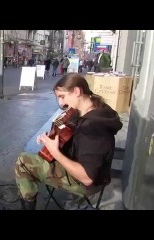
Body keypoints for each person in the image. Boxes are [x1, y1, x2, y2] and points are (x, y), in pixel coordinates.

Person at [14, 73, 123, 210]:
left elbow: (87, 178)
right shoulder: (92, 108)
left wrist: (55, 152)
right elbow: (70, 132)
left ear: (77, 91)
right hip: (90, 169)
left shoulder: (93, 128)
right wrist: (53, 137)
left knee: (23, 162)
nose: (61, 103)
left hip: (85, 183)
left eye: (62, 96)